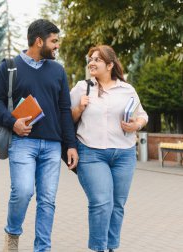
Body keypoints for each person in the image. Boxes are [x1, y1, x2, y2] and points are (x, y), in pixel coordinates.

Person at [0, 19, 78, 252]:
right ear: (39, 41)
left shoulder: (58, 71)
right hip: (22, 142)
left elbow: (65, 110)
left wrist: (70, 144)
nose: (57, 46)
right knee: (23, 191)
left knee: (47, 200)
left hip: (52, 146)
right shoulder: (9, 67)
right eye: (54, 41)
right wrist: (13, 122)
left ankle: (42, 248)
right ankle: (12, 232)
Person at [70, 45, 148, 252]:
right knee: (102, 202)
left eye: (97, 59)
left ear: (110, 65)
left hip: (124, 154)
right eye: (91, 59)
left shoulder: (126, 89)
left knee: (117, 205)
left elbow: (143, 115)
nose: (92, 62)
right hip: (91, 152)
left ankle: (111, 247)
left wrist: (135, 125)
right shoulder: (82, 87)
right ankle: (98, 248)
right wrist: (79, 108)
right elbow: (65, 118)